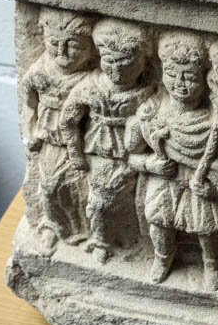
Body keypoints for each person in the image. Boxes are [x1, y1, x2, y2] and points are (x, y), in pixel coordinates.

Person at [128, 31, 218, 291]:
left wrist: (214, 185)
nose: (180, 84)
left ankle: (212, 263)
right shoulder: (151, 112)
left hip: (201, 182)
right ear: (161, 72)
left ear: (205, 77)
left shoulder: (216, 121)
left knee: (207, 227)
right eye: (172, 75)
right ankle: (163, 257)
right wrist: (151, 165)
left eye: (190, 77)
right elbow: (130, 156)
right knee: (159, 221)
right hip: (166, 178)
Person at [61, 18, 154, 263]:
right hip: (101, 153)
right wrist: (75, 153)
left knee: (138, 200)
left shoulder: (149, 91)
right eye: (109, 61)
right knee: (102, 201)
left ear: (143, 60)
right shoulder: (91, 87)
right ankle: (102, 241)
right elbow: (68, 120)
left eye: (126, 62)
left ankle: (131, 239)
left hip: (139, 154)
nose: (117, 70)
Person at [21, 6, 95, 253]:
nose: (62, 52)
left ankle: (90, 233)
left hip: (88, 143)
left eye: (73, 45)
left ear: (90, 46)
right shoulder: (38, 73)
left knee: (84, 191)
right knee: (52, 186)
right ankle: (54, 226)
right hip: (53, 141)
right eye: (54, 43)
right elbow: (29, 107)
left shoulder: (92, 78)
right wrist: (29, 133)